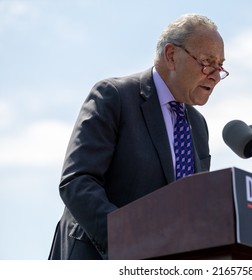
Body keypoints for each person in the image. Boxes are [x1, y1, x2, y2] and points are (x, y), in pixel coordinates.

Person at [48, 13, 228, 260]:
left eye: (220, 66)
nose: (216, 75)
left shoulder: (198, 125)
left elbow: (190, 209)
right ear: (171, 56)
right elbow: (78, 181)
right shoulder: (114, 96)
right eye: (207, 62)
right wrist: (129, 243)